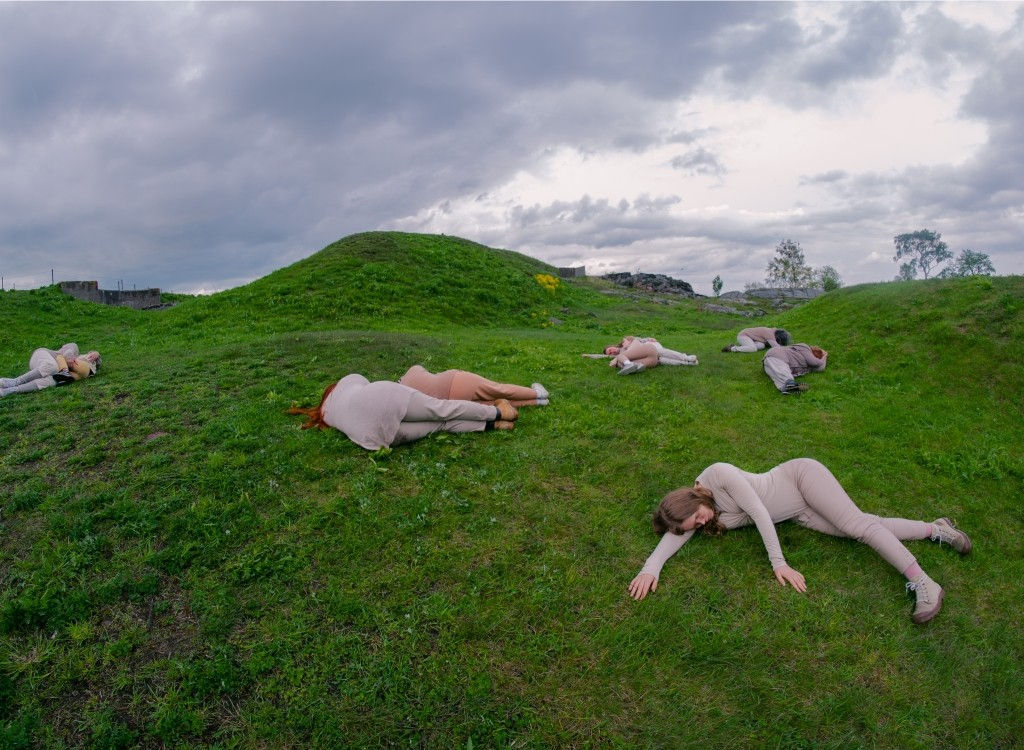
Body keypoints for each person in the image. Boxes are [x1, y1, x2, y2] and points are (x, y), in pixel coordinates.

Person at [627, 458, 971, 624]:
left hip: (802, 479)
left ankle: (924, 583)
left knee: (861, 528)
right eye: (696, 525)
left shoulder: (718, 475)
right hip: (797, 512)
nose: (702, 525)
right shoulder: (690, 515)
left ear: (693, 499)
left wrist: (779, 563)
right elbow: (679, 534)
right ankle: (937, 529)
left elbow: (760, 513)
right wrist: (651, 567)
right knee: (866, 525)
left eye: (699, 517)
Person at [287, 374, 520, 450]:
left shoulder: (327, 416)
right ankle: (499, 413)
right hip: (384, 398)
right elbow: (362, 380)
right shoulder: (345, 383)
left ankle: (493, 425)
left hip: (375, 436)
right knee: (442, 409)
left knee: (442, 424)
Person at [398, 364, 549, 407]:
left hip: (449, 403)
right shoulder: (411, 371)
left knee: (494, 404)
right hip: (454, 381)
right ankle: (537, 393)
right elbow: (424, 370)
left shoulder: (405, 398)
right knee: (499, 389)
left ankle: (537, 402)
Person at [0, 343, 102, 397]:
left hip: (43, 369)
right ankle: (15, 381)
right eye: (89, 356)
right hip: (42, 355)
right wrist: (70, 357)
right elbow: (71, 345)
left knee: (50, 382)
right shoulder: (75, 351)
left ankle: (10, 390)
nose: (90, 359)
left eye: (93, 360)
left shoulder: (78, 373)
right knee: (53, 366)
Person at [603, 336, 698, 375]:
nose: (612, 352)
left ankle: (686, 357)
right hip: (647, 356)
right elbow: (600, 356)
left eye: (610, 350)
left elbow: (638, 339)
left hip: (648, 346)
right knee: (660, 360)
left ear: (612, 346)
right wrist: (588, 355)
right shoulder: (621, 354)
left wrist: (649, 338)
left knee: (660, 351)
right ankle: (687, 363)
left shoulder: (625, 340)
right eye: (610, 353)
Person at [763, 343, 827, 394]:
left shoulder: (807, 365)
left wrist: (824, 358)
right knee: (783, 372)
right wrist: (824, 356)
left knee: (779, 378)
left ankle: (787, 388)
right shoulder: (805, 348)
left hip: (770, 362)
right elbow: (815, 362)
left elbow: (820, 368)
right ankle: (790, 384)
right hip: (777, 356)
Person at [723, 327, 791, 353]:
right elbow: (776, 347)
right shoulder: (769, 333)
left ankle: (743, 346)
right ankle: (732, 348)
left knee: (761, 346)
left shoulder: (771, 331)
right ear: (777, 337)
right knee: (753, 349)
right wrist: (789, 349)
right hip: (743, 336)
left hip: (751, 338)